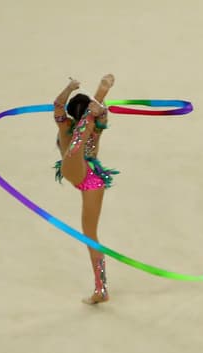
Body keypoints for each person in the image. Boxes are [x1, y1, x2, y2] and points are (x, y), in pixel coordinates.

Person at [53, 74, 117, 304]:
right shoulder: (96, 125)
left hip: (78, 170)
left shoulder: (65, 124)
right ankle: (101, 289)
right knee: (90, 236)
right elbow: (102, 112)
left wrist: (69, 87)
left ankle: (101, 290)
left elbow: (58, 104)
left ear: (72, 113)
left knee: (75, 146)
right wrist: (98, 104)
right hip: (92, 179)